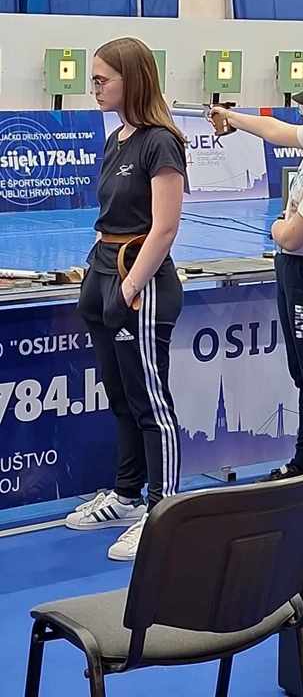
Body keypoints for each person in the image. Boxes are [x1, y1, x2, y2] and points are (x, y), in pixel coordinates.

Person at [65, 37, 188, 560]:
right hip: (104, 269)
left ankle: (163, 511)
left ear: (131, 80)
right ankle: (127, 493)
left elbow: (164, 229)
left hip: (140, 281)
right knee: (119, 396)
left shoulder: (161, 143)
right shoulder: (117, 138)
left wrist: (130, 287)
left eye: (102, 79)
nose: (93, 88)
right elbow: (112, 215)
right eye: (93, 79)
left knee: (150, 402)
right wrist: (95, 278)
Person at [211, 71, 303, 490]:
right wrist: (230, 116)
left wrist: (277, 224)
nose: (301, 113)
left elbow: (292, 235)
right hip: (297, 273)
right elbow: (274, 130)